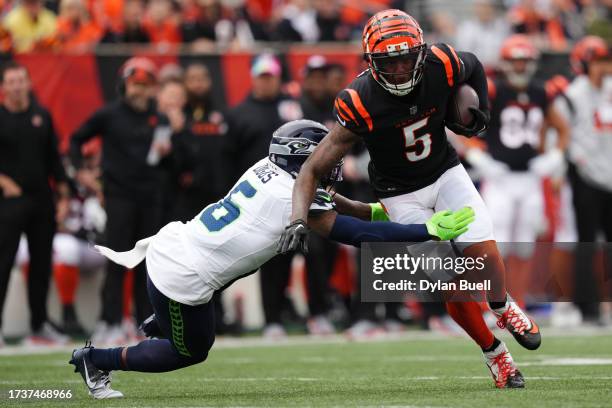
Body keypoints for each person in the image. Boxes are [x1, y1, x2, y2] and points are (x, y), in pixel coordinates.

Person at [69, 120, 475, 399]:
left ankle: (159, 318)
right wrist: (425, 230)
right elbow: (356, 236)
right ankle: (96, 360)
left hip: (180, 246)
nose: (331, 163)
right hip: (185, 273)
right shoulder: (288, 198)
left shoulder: (269, 169)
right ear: (300, 159)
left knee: (224, 279)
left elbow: (331, 202)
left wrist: (371, 209)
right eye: (323, 157)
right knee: (190, 351)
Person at [279, 9, 542, 389]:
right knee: (450, 283)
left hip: (445, 171)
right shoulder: (359, 100)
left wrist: (480, 112)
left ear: (421, 51)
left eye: (406, 57)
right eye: (390, 61)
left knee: (483, 250)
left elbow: (475, 66)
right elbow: (311, 170)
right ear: (371, 63)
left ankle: (502, 306)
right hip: (398, 194)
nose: (401, 69)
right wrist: (298, 218)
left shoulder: (443, 63)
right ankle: (495, 356)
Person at [69, 57, 173, 345]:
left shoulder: (160, 118)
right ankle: (110, 321)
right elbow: (76, 140)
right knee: (116, 261)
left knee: (148, 264)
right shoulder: (109, 114)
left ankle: (144, 323)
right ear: (125, 85)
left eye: (146, 85)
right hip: (118, 197)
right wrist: (82, 173)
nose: (141, 91)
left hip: (150, 199)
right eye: (136, 84)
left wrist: (168, 152)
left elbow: (165, 163)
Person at [463, 34, 569, 302]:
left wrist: (556, 155)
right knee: (496, 243)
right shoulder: (493, 90)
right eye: (516, 62)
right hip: (500, 178)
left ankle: (518, 304)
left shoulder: (540, 91)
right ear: (506, 63)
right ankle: (493, 305)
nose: (521, 67)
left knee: (524, 244)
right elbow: (463, 128)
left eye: (525, 62)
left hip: (530, 178)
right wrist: (479, 157)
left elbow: (562, 128)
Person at [0, 62, 70, 346]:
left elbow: (54, 157)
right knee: (3, 262)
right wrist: (3, 181)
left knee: (41, 264)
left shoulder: (42, 115)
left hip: (41, 200)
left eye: (21, 81)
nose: (16, 86)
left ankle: (39, 324)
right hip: (9, 202)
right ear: (4, 87)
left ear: (29, 84)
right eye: (11, 81)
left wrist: (63, 194)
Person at [559, 36, 612, 323]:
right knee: (587, 243)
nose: (604, 68)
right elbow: (563, 135)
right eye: (598, 62)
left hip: (609, 175)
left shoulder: (610, 90)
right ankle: (587, 307)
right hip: (587, 178)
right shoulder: (573, 94)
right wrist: (582, 163)